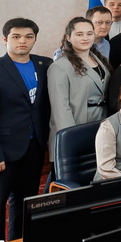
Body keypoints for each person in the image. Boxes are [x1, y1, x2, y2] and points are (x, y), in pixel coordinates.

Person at [0, 18, 51, 242]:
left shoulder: (44, 65)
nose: (22, 41)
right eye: (16, 37)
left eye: (28, 36)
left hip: (33, 147)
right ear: (5, 39)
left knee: (26, 203)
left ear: (35, 39)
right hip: (3, 152)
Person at [48, 16, 111, 161]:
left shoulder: (99, 59)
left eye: (89, 33)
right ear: (68, 38)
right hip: (76, 127)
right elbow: (60, 108)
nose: (85, 38)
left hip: (101, 124)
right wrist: (71, 137)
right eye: (79, 34)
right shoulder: (59, 66)